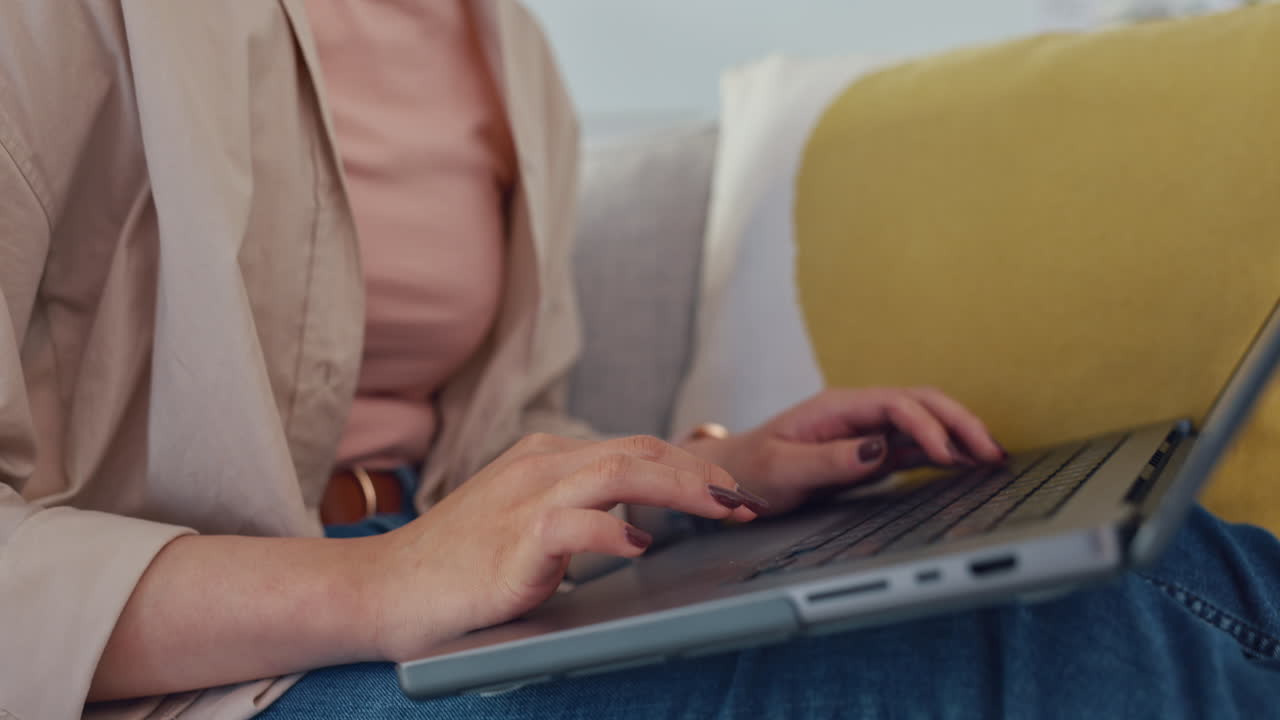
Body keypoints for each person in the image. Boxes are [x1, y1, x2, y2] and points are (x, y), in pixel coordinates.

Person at [0, 2, 1275, 718]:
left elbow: (493, 451)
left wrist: (715, 477)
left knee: (1167, 558)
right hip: (205, 673)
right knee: (1061, 650)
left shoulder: (507, 51)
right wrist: (383, 583)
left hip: (409, 592)